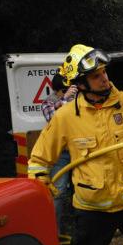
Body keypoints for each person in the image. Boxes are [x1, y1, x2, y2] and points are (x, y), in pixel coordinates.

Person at [28, 44, 123, 245]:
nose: (104, 79)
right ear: (79, 84)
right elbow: (40, 158)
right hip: (91, 210)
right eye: (95, 76)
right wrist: (40, 182)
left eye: (104, 73)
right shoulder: (65, 117)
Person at [41, 73, 77, 235]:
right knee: (59, 192)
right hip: (61, 154)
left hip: (78, 152)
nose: (69, 92)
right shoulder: (48, 103)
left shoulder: (75, 100)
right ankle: (54, 234)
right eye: (65, 90)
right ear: (58, 91)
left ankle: (84, 229)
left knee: (83, 189)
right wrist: (64, 101)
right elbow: (54, 120)